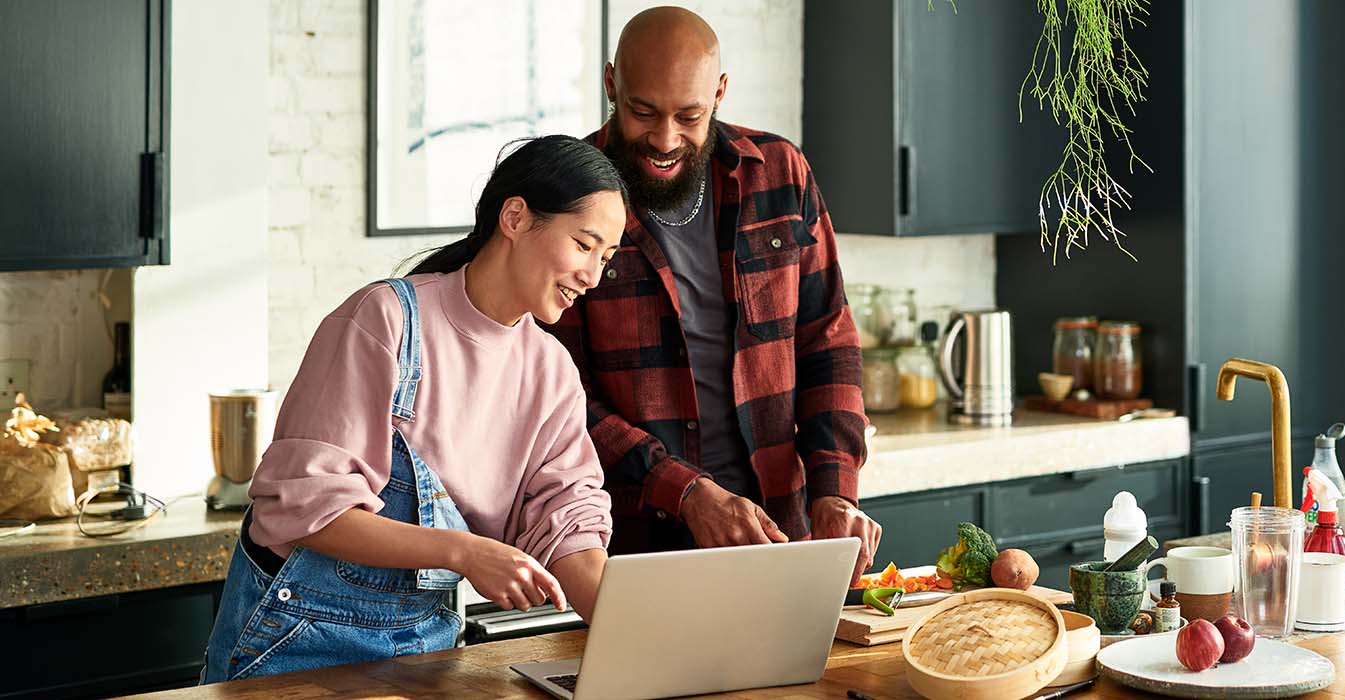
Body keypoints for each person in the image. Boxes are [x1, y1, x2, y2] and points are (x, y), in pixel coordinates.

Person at [201, 136, 625, 683]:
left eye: (606, 258)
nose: (592, 276)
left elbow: (568, 523)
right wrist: (466, 554)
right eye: (584, 245)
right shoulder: (386, 320)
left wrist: (643, 640)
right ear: (516, 218)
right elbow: (306, 510)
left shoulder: (552, 372)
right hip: (294, 646)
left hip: (428, 649)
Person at [543, 7, 880, 576]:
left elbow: (828, 342)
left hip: (779, 531)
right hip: (633, 545)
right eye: (642, 111)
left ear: (720, 93)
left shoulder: (780, 175)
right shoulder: (570, 197)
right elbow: (559, 394)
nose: (665, 139)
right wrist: (686, 491)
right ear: (610, 84)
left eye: (689, 115)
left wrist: (834, 489)